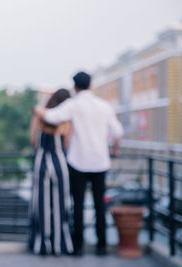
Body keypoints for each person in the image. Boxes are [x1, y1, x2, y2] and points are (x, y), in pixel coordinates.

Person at [34, 72, 123, 256]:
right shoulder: (104, 106)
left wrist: (37, 109)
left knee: (78, 205)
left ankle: (78, 245)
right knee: (100, 205)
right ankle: (102, 246)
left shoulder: (73, 105)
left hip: (78, 161)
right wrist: (115, 149)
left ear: (74, 87)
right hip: (100, 161)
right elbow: (118, 132)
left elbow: (51, 117)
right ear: (90, 85)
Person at [29, 88, 74, 256]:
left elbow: (33, 139)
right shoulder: (66, 118)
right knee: (61, 203)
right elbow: (67, 142)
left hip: (41, 159)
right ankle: (59, 244)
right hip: (59, 161)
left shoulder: (40, 114)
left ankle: (42, 244)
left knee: (41, 203)